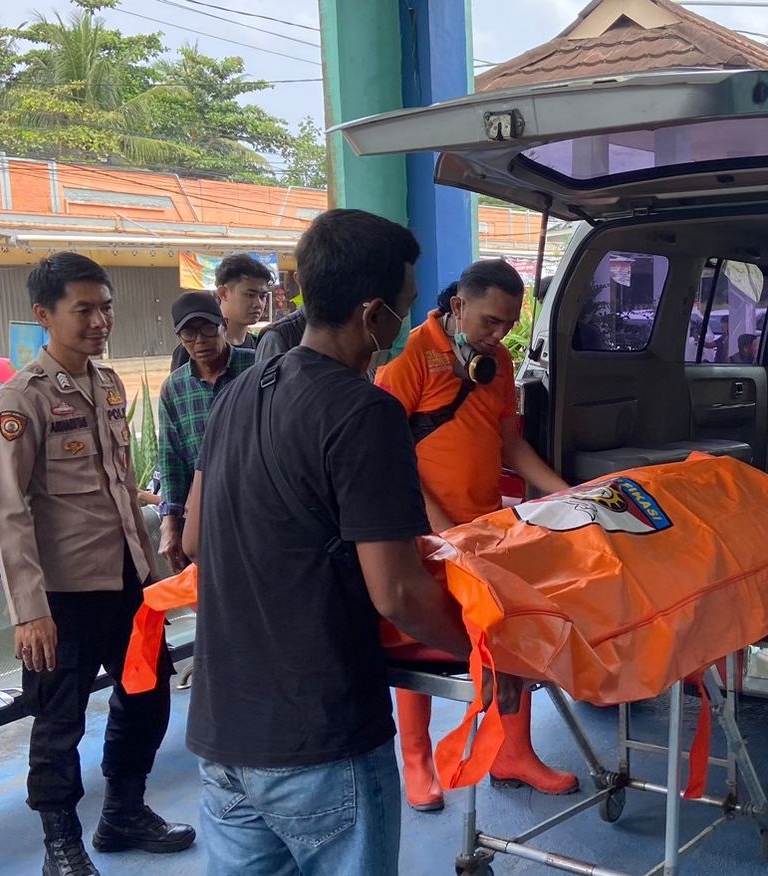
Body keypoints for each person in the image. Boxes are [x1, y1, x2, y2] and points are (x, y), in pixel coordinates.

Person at [181, 209, 472, 875]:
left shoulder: (237, 392)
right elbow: (398, 592)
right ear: (373, 316)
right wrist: (489, 655)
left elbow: (196, 536)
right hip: (318, 738)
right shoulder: (364, 412)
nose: (402, 323)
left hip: (225, 731)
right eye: (402, 308)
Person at [0, 253, 194, 876]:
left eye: (106, 306)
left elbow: (118, 484)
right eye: (85, 309)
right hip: (63, 598)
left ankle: (123, 813)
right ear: (44, 316)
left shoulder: (107, 386)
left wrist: (155, 578)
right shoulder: (22, 400)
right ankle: (60, 844)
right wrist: (29, 613)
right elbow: (8, 512)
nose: (100, 320)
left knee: (147, 696)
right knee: (58, 724)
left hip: (127, 583)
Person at [376, 258, 579, 812]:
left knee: (508, 634)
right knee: (418, 642)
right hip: (425, 534)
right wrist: (445, 532)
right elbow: (388, 459)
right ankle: (418, 764)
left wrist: (565, 494)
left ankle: (514, 752)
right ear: (458, 306)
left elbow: (510, 444)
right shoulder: (410, 359)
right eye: (490, 321)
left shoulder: (500, 364)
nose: (499, 334)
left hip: (486, 530)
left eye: (510, 324)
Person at [156, 292, 256, 573]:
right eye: (189, 333)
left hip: (259, 508)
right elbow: (171, 459)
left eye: (208, 329)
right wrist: (170, 524)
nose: (200, 341)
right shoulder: (174, 388)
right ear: (179, 337)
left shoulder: (258, 365)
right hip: (204, 515)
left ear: (223, 324)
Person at [169, 254, 271, 371]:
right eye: (250, 295)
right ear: (223, 293)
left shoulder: (260, 346)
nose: (258, 304)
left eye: (262, 296)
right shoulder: (192, 350)